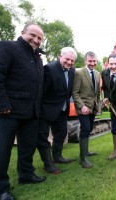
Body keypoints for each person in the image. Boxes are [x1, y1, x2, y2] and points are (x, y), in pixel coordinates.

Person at [0, 23, 46, 200]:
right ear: (22, 33)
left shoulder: (37, 58)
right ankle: (0, 190)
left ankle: (26, 175)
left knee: (27, 149)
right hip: (8, 112)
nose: (35, 40)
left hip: (31, 113)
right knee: (1, 151)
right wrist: (1, 104)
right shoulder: (7, 47)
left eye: (39, 38)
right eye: (32, 35)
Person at [37, 47, 77, 175]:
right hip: (46, 110)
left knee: (61, 133)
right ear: (60, 56)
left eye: (72, 60)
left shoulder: (72, 71)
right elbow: (41, 92)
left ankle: (57, 157)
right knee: (43, 138)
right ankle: (48, 165)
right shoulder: (49, 69)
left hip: (62, 110)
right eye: (67, 59)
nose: (69, 62)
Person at [72, 51, 101, 169]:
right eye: (90, 61)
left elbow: (97, 92)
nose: (92, 63)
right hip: (83, 108)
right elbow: (75, 92)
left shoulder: (98, 74)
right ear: (85, 61)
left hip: (93, 108)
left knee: (89, 129)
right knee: (85, 129)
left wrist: (98, 104)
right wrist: (82, 106)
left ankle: (86, 152)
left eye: (94, 61)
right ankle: (83, 159)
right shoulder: (79, 73)